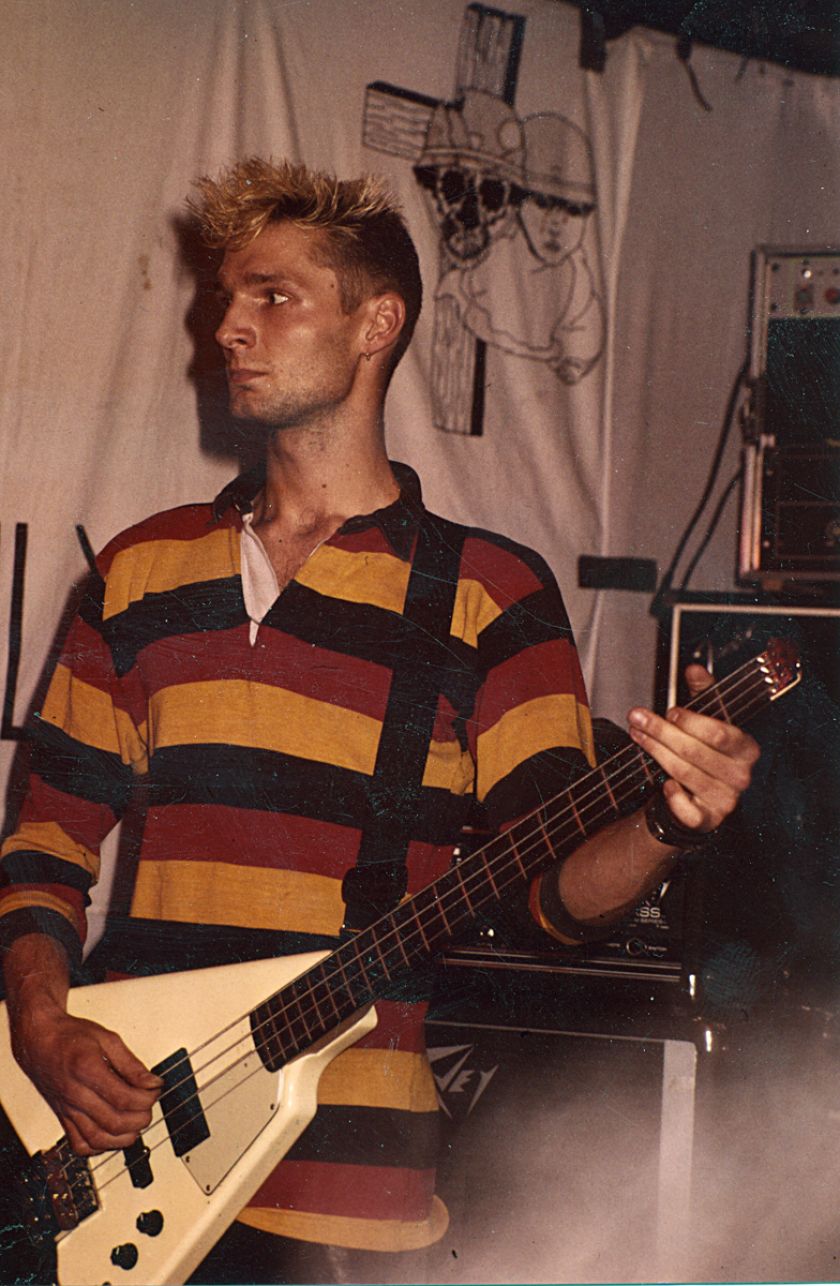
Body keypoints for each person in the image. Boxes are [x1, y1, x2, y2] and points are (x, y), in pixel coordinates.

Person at [0, 157, 758, 1285]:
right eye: (226, 298)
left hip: (346, 1204)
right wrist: (43, 1024)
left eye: (273, 297)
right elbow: (45, 844)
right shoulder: (139, 569)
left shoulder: (491, 592)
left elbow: (554, 895)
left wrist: (669, 824)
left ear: (376, 324)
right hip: (118, 1154)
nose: (229, 328)